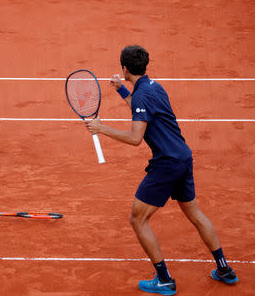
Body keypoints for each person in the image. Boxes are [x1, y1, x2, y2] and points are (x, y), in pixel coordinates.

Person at [85, 45, 238, 295]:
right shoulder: (154, 86)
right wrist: (121, 89)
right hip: (183, 156)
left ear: (124, 68)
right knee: (195, 213)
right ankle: (224, 268)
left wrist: (101, 129)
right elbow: (141, 107)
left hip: (166, 164)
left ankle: (164, 279)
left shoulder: (143, 95)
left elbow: (136, 138)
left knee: (138, 218)